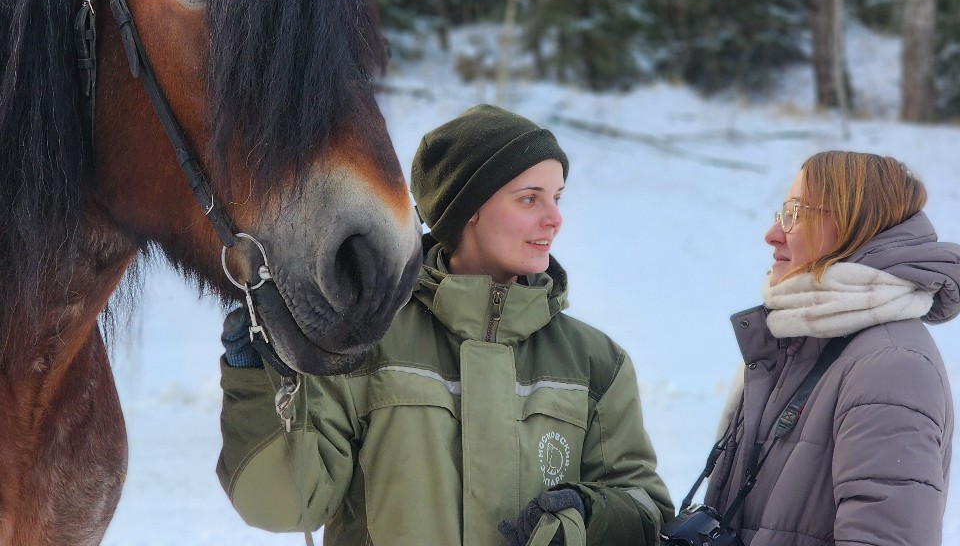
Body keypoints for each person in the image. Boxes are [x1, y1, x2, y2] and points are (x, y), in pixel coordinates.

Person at [217, 104, 673, 546]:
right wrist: (257, 376)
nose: (555, 219)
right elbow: (284, 505)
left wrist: (586, 514)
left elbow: (646, 509)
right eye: (529, 199)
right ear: (468, 208)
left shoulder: (595, 363)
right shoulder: (365, 342)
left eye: (557, 198)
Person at [698, 151, 960, 546]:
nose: (773, 233)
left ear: (855, 227)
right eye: (782, 213)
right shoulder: (802, 342)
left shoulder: (891, 366)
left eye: (795, 213)